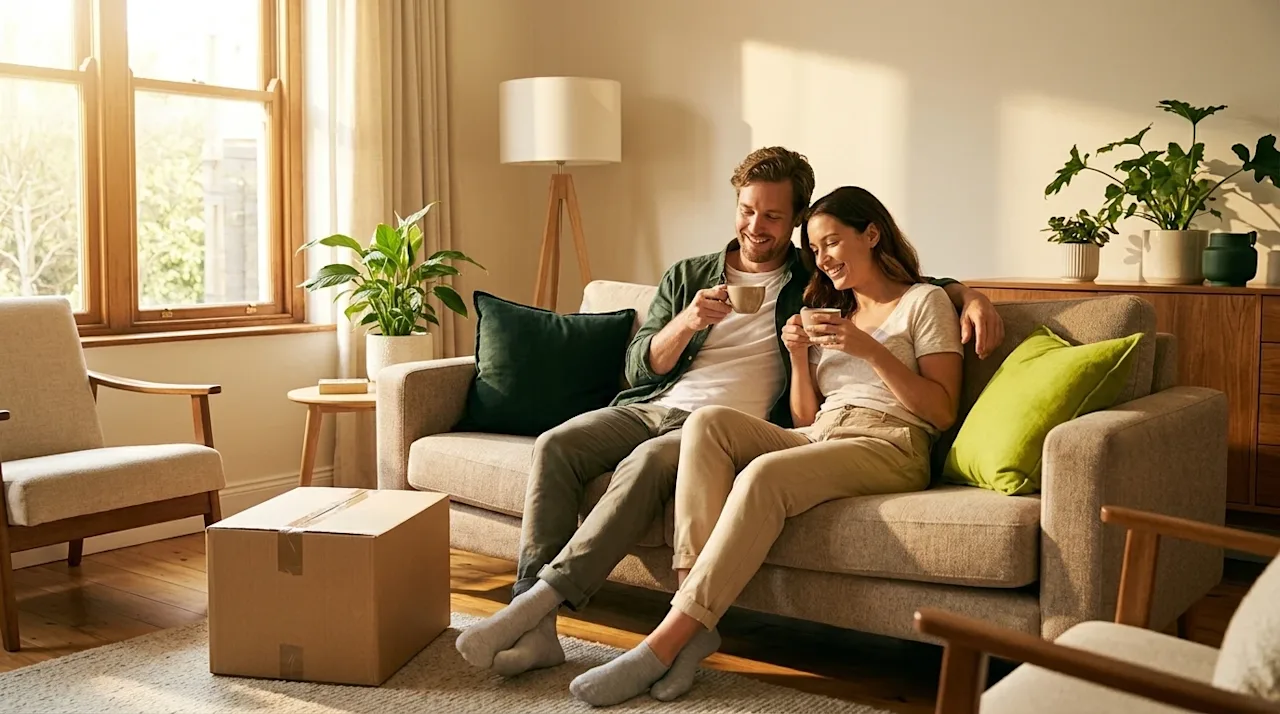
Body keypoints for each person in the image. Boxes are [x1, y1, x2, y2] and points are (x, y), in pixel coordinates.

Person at [454, 149, 1003, 695]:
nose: (755, 226)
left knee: (710, 459)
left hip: (866, 436)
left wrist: (969, 295)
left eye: (773, 216)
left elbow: (905, 287)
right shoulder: (695, 276)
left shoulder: (812, 281)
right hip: (664, 407)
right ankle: (538, 617)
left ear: (793, 222)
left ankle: (651, 627)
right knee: (557, 444)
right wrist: (691, 321)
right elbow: (635, 367)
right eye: (747, 210)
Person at [565, 185, 965, 706]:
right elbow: (804, 415)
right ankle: (694, 620)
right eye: (816, 250)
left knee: (762, 475)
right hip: (822, 431)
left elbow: (940, 410)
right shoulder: (834, 307)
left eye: (833, 243)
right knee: (706, 424)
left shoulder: (923, 302)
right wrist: (798, 357)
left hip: (889, 441)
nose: (823, 259)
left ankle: (664, 642)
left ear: (871, 233)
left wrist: (869, 351)